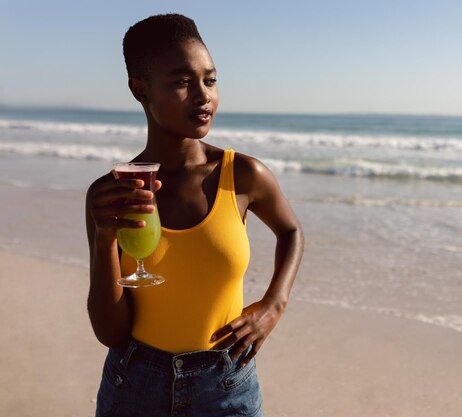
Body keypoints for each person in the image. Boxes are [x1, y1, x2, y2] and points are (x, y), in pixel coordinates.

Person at [85, 13, 304, 417]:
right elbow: (110, 331)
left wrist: (275, 303)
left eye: (211, 79)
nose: (204, 96)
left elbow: (290, 231)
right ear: (140, 90)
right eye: (183, 82)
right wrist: (104, 239)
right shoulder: (113, 194)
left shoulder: (241, 175)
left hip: (226, 387)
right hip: (133, 386)